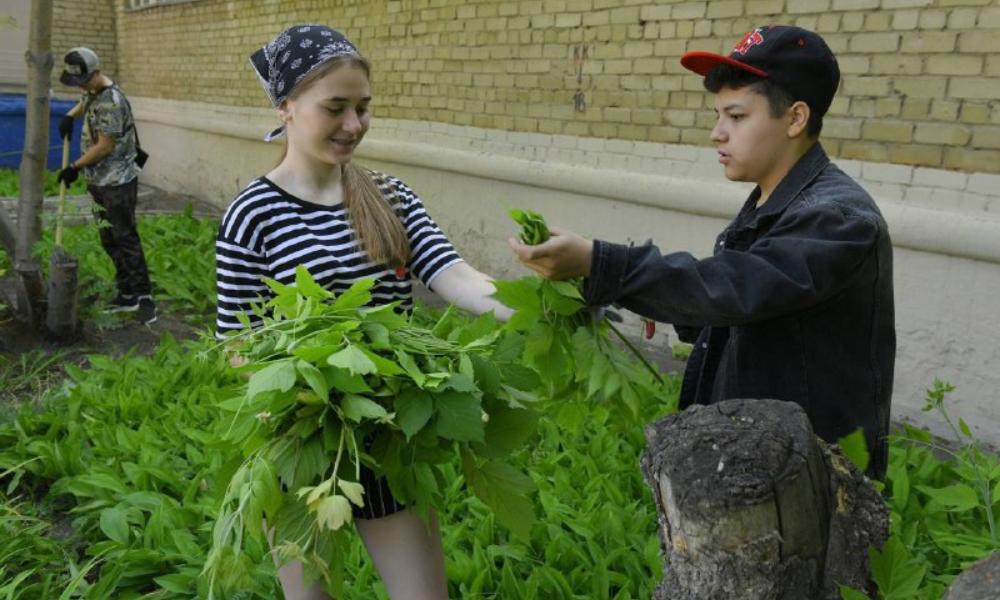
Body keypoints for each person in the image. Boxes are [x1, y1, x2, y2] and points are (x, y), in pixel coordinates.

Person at [509, 25, 895, 479]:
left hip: (808, 476)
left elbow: (736, 289)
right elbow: (750, 309)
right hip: (765, 461)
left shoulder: (838, 219)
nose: (716, 134)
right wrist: (661, 299)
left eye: (735, 117)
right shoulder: (775, 199)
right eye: (717, 116)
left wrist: (601, 263)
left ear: (794, 119)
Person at [215, 25, 512, 600]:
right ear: (287, 107)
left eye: (362, 107)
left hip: (390, 434)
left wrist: (528, 305)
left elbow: (456, 275)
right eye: (336, 108)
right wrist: (312, 391)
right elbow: (238, 343)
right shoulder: (251, 214)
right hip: (300, 443)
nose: (354, 125)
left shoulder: (390, 195)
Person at [56, 47, 156, 324]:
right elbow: (86, 100)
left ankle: (143, 298)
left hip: (116, 181)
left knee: (124, 237)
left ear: (97, 72)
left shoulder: (112, 102)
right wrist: (70, 115)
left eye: (84, 80)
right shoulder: (93, 90)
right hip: (99, 180)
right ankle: (126, 294)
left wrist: (74, 167)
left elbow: (104, 146)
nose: (82, 86)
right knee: (109, 238)